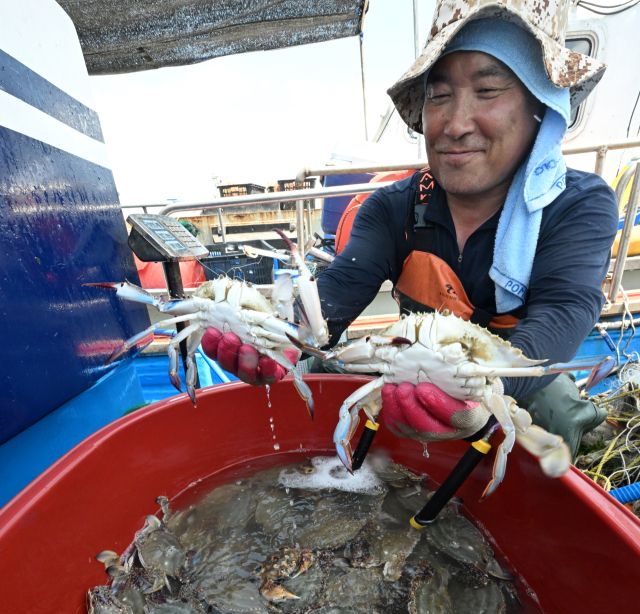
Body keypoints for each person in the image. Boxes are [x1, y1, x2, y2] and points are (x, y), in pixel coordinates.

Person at [203, 0, 619, 458]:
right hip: (412, 372)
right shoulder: (392, 208)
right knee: (316, 365)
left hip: (502, 384)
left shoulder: (577, 203)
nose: (455, 125)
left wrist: (478, 392)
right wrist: (277, 337)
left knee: (556, 409)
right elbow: (332, 299)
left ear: (541, 105)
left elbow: (561, 314)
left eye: (488, 90)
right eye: (438, 96)